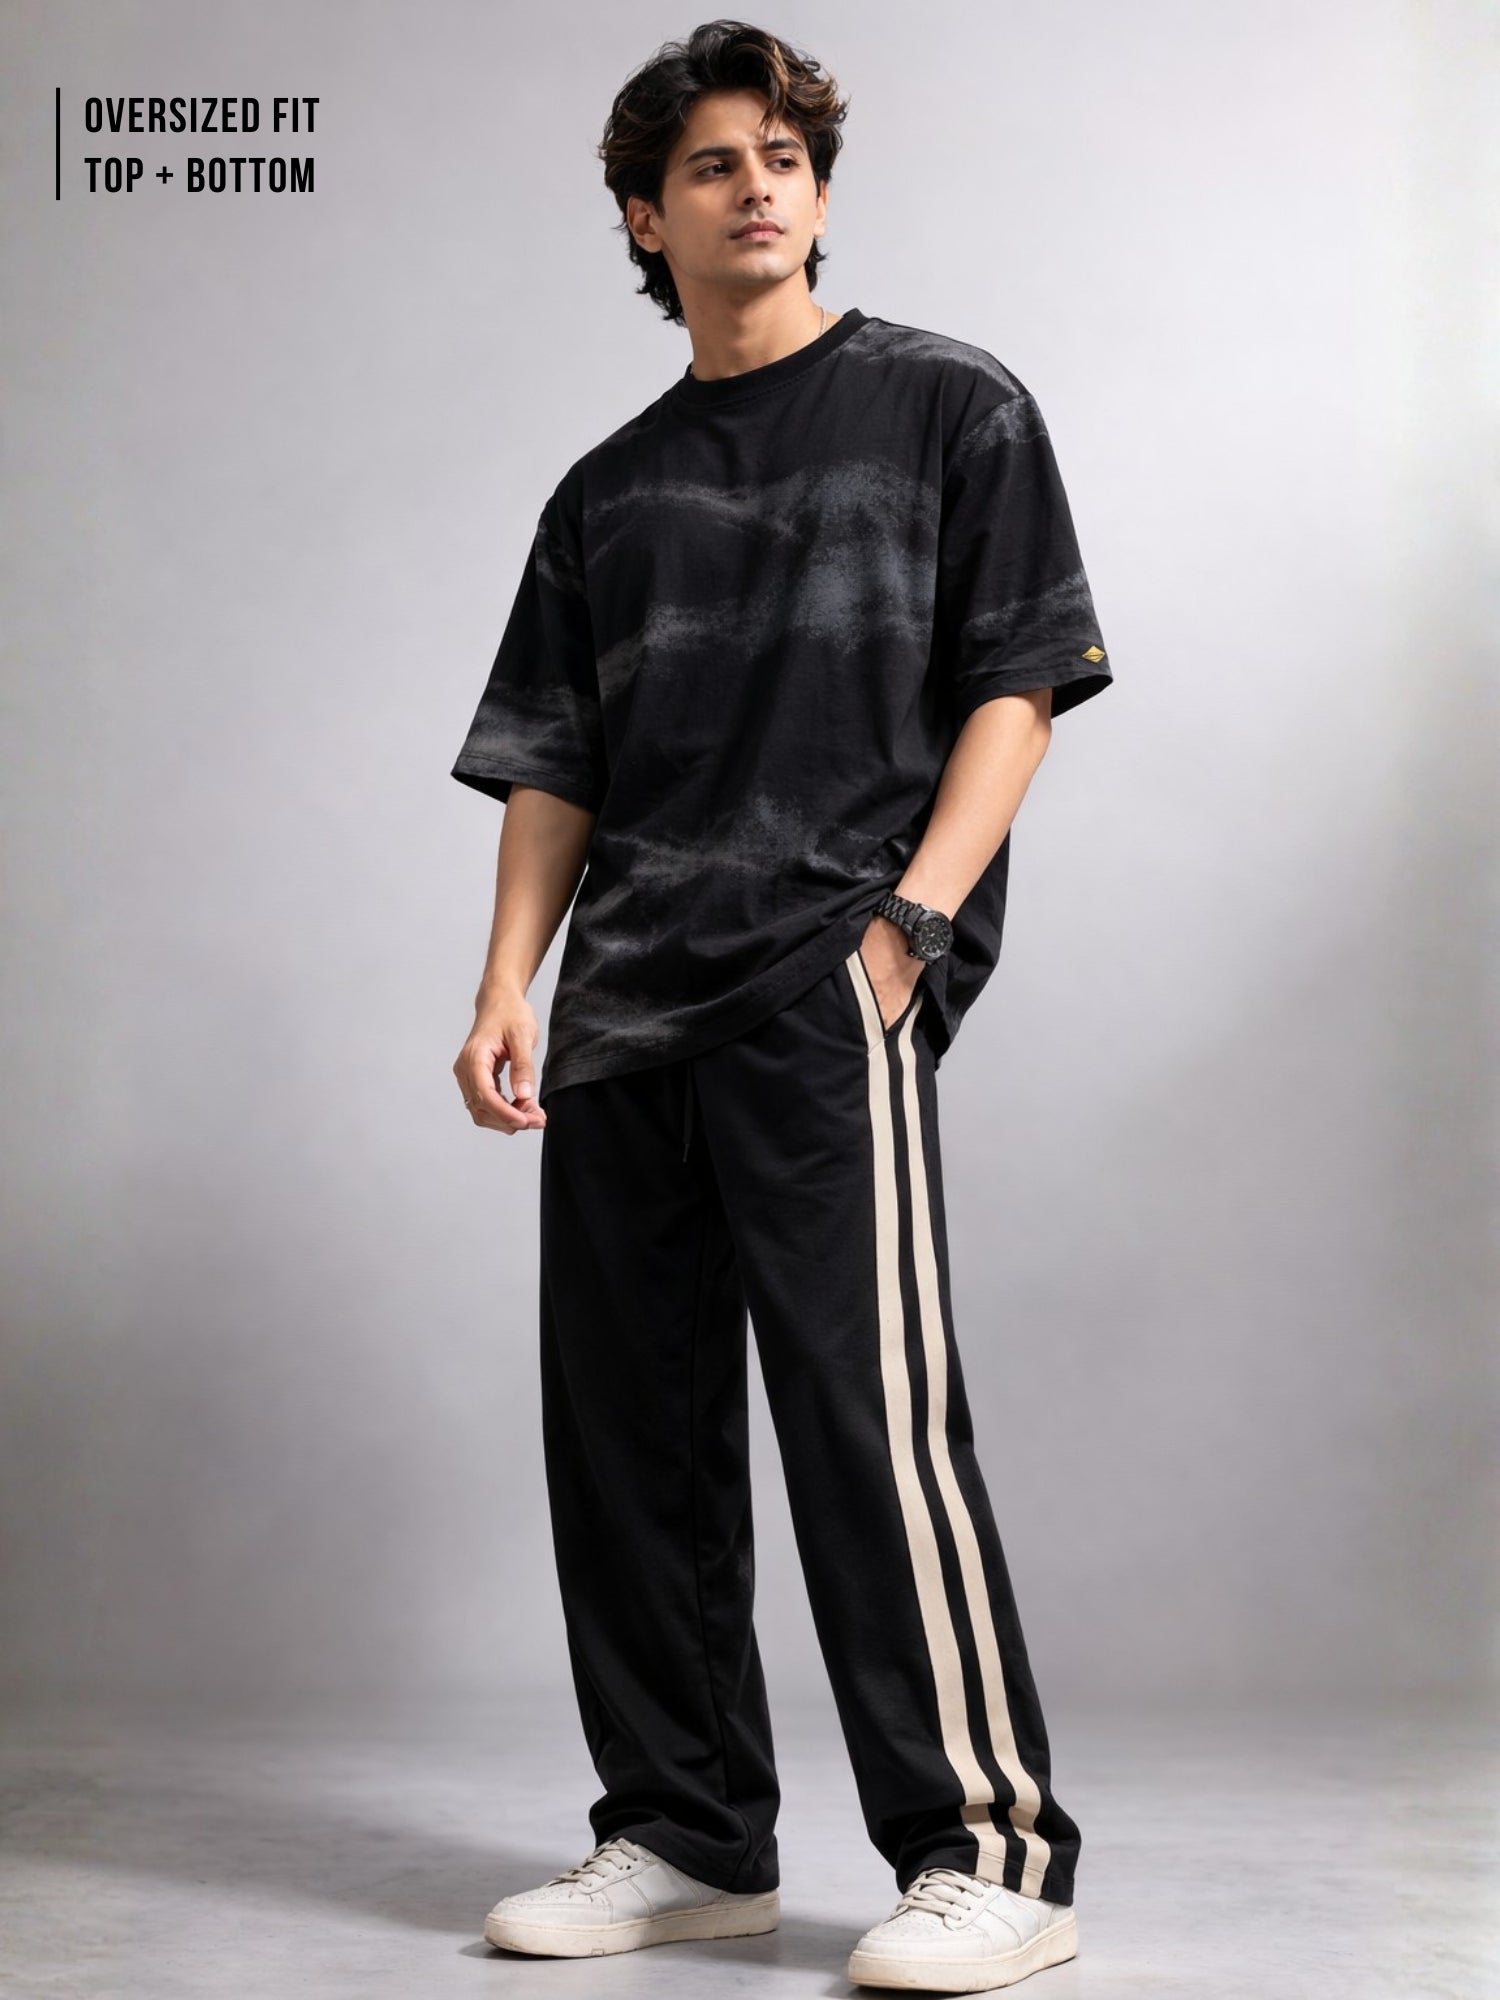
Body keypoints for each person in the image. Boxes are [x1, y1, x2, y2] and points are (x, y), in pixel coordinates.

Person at [449, 20, 1113, 1993]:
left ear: (816, 191)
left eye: (782, 158)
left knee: (865, 1421)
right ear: (643, 218)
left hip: (825, 976)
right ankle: (684, 1830)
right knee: (631, 1440)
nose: (755, 187)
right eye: (711, 165)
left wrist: (910, 922)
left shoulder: (948, 407)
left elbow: (1018, 683)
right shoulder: (606, 491)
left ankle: (992, 1852)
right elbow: (554, 758)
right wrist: (506, 984)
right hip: (623, 1008)